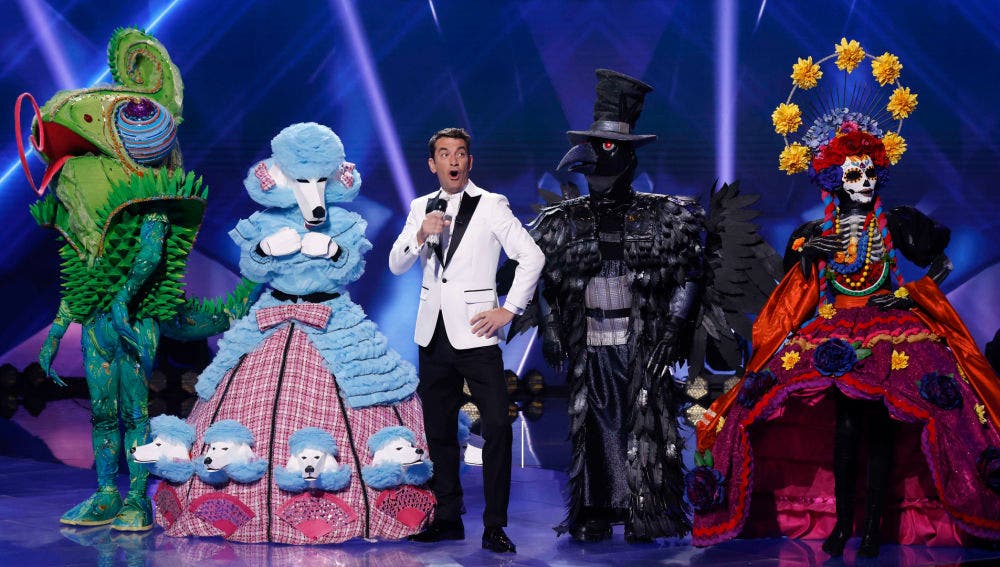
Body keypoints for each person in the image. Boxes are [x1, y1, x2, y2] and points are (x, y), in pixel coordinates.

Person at [693, 41, 1000, 557]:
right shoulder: (815, 233)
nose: (863, 183)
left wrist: (914, 295)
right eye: (853, 175)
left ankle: (875, 525)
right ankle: (840, 524)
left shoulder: (895, 223)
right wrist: (806, 256)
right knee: (844, 428)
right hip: (834, 331)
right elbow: (791, 289)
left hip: (891, 333)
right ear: (835, 179)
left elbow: (941, 261)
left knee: (880, 428)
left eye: (869, 173)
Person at [389, 127, 544, 553]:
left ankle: (494, 526)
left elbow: (532, 256)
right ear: (432, 164)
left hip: (476, 335)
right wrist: (419, 235)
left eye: (460, 153)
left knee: (496, 427)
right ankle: (447, 518)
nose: (453, 160)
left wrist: (509, 309)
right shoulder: (420, 207)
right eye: (444, 154)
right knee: (439, 431)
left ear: (469, 162)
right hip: (433, 334)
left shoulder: (492, 204)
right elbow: (397, 264)